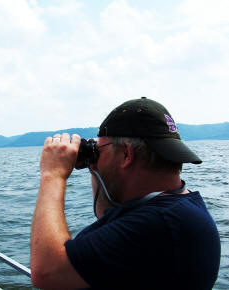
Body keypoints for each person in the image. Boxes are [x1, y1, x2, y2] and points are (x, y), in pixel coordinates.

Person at [30, 97, 220, 290]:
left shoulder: (162, 221)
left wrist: (52, 175)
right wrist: (95, 164)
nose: (95, 156)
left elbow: (48, 272)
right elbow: (105, 212)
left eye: (99, 149)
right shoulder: (177, 207)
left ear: (126, 154)